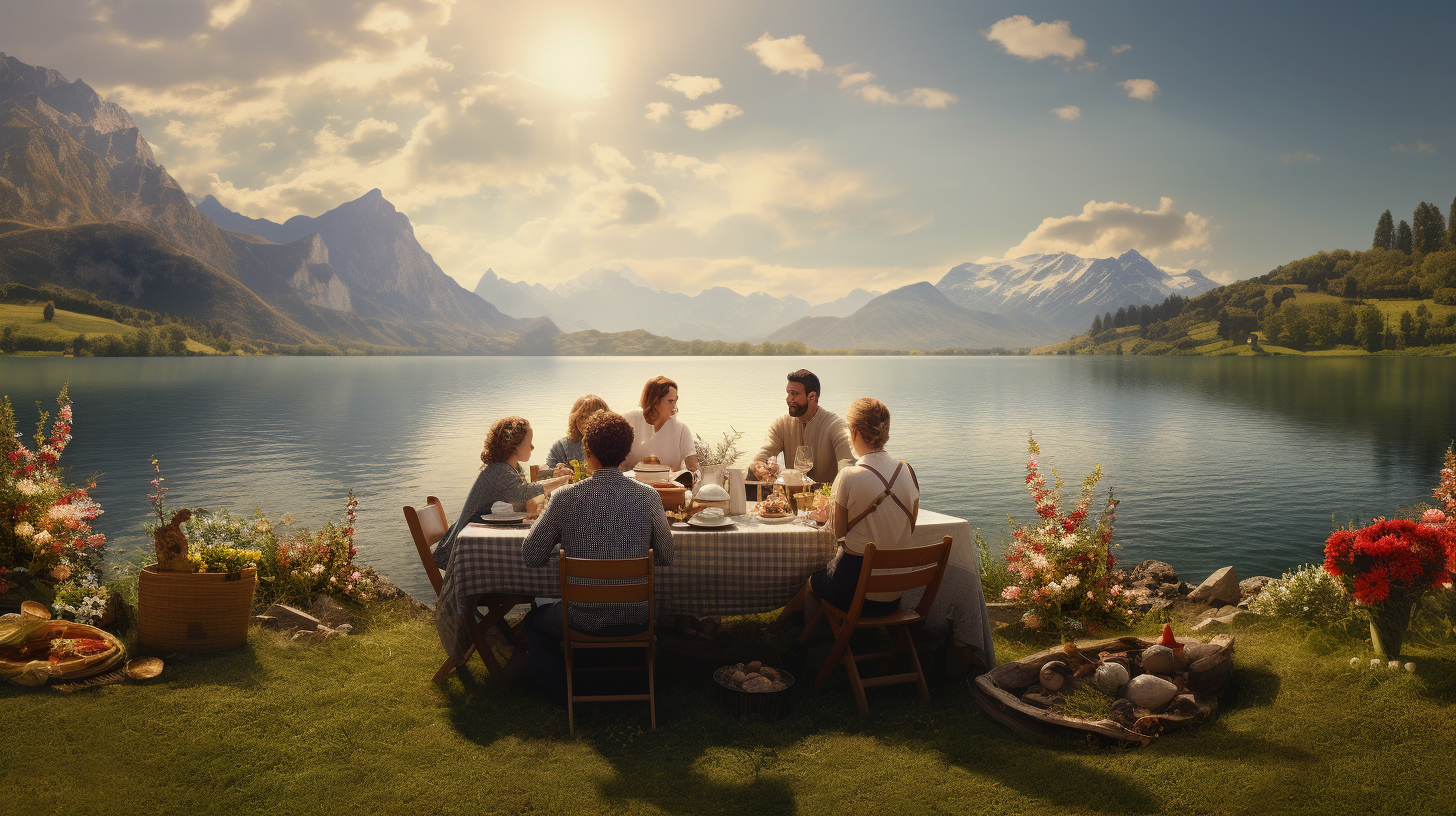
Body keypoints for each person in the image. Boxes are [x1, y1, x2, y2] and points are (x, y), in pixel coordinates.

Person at [521, 410, 675, 699]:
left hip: (581, 619)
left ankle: (558, 694)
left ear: (587, 451)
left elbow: (531, 556)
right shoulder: (648, 497)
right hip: (638, 617)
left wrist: (558, 533)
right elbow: (667, 556)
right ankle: (639, 683)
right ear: (626, 452)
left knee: (533, 621)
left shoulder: (564, 498)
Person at [782, 397, 919, 670]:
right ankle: (816, 642)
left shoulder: (849, 475)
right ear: (885, 432)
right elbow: (911, 525)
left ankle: (813, 647)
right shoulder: (907, 471)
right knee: (835, 578)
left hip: (855, 592)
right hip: (892, 595)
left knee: (815, 583)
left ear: (854, 431)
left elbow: (839, 533)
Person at [431, 416, 568, 570]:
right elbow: (521, 494)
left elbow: (526, 485)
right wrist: (560, 481)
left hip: (478, 540)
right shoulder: (499, 470)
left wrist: (553, 474)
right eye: (529, 442)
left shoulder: (511, 468)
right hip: (465, 550)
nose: (532, 447)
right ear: (514, 445)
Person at [750, 369, 854, 485]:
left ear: (812, 396)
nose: (788, 399)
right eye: (788, 393)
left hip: (827, 499)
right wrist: (762, 469)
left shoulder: (835, 425)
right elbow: (762, 456)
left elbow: (847, 465)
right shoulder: (781, 424)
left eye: (794, 394)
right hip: (792, 498)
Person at [622, 375, 700, 473]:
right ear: (654, 401)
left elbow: (693, 467)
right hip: (632, 487)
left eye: (675, 401)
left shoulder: (681, 430)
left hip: (668, 487)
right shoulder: (631, 420)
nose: (674, 406)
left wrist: (693, 476)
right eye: (670, 401)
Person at [545, 394, 610, 476]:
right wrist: (556, 472)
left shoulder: (611, 445)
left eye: (593, 417)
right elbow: (546, 475)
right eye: (583, 417)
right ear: (575, 419)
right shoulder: (561, 447)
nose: (587, 422)